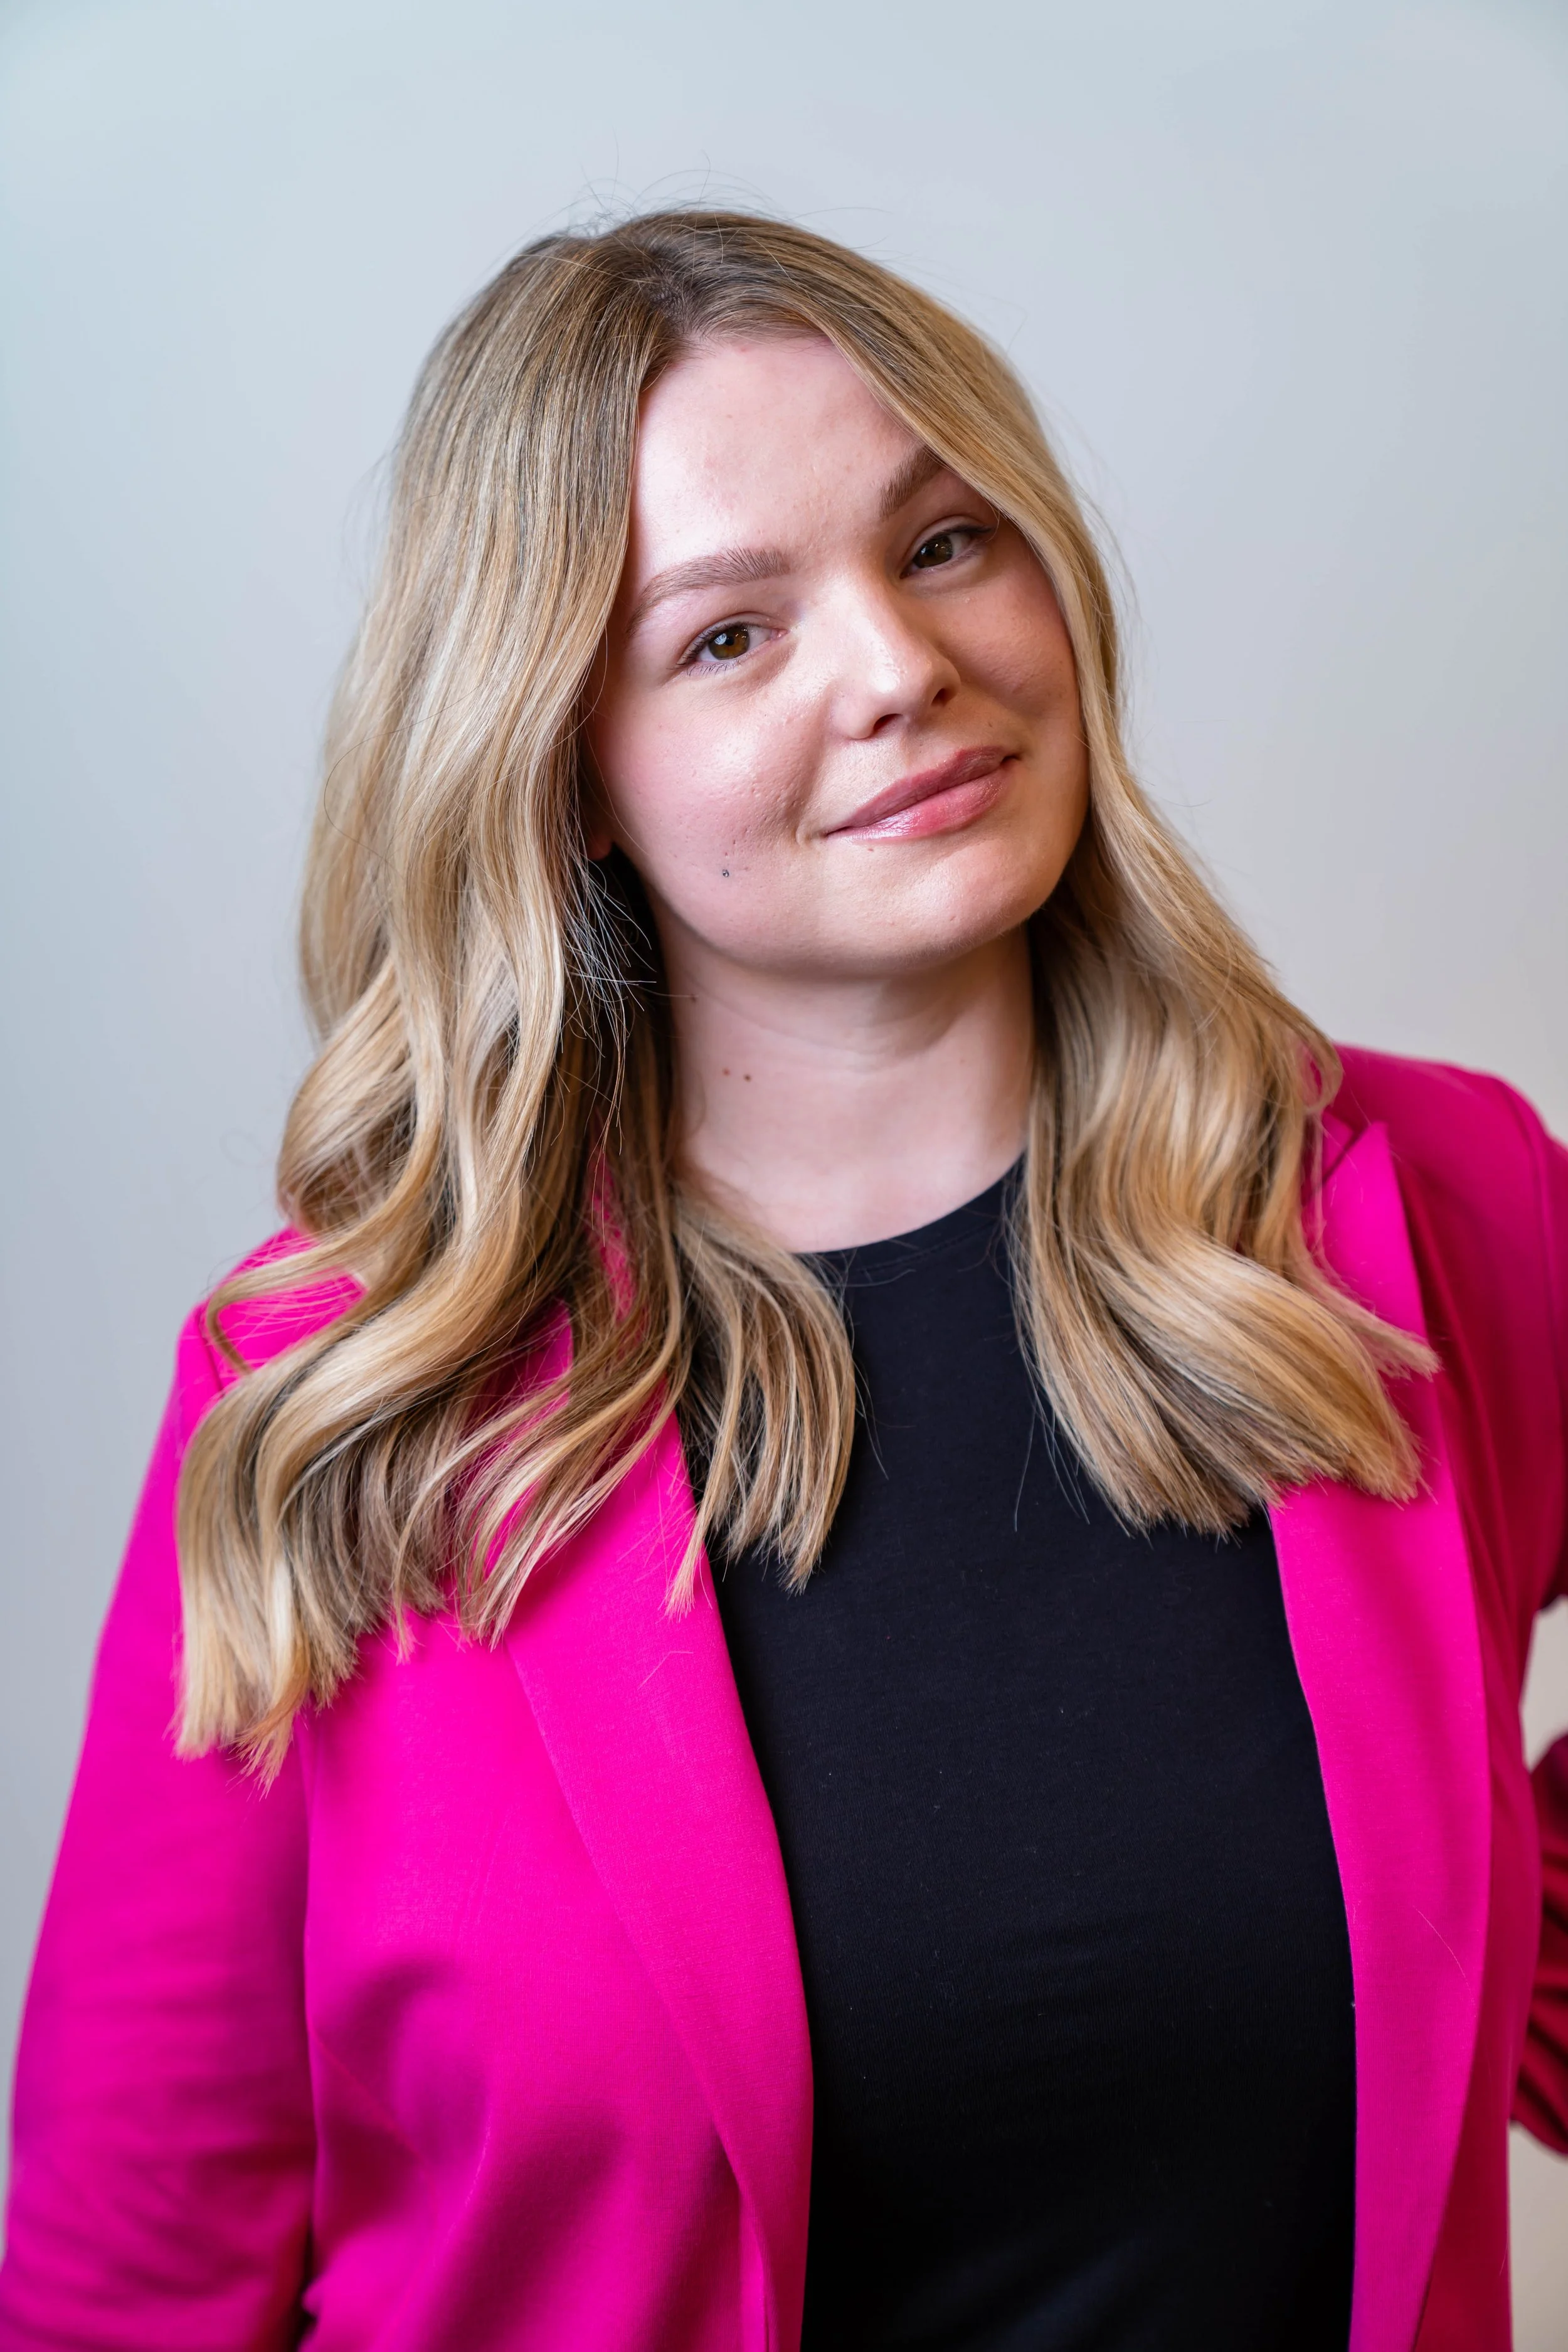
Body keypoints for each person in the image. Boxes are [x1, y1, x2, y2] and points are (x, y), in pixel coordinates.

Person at [1, 208, 1564, 2352]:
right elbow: (130, 2271)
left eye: (941, 542)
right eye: (729, 635)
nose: (898, 664)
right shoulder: (331, 1396)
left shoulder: (1429, 1212)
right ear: (566, 769)